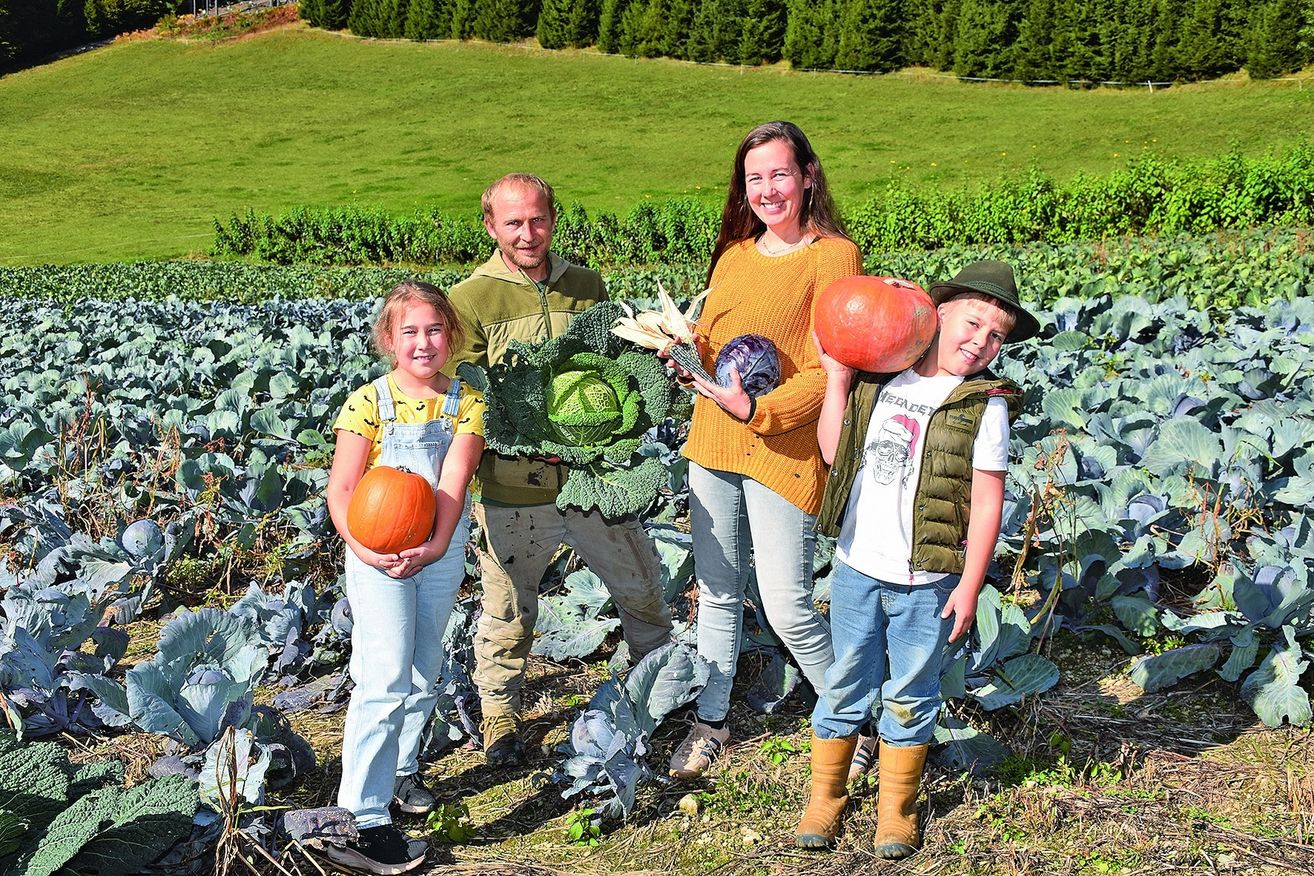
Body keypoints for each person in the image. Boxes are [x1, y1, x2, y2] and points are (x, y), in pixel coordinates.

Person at [795, 260, 1040, 856]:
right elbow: (834, 452)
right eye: (973, 322)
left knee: (912, 690)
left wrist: (971, 583)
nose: (980, 342)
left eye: (996, 336)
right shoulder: (883, 375)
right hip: (857, 565)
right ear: (938, 312)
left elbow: (987, 503)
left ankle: (896, 810)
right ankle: (826, 797)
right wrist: (836, 379)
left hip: (929, 581)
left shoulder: (985, 406)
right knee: (846, 680)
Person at [445, 172, 674, 766]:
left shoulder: (586, 287)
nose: (528, 233)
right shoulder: (469, 300)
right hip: (512, 487)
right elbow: (470, 391)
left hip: (597, 482)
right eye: (513, 222)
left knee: (641, 588)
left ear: (554, 219)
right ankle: (499, 716)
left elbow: (612, 366)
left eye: (539, 220)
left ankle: (661, 691)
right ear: (491, 225)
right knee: (507, 607)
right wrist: (528, 440)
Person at [665, 121, 863, 780]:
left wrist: (760, 409)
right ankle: (711, 722)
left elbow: (830, 367)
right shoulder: (733, 256)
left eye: (780, 174)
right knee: (718, 592)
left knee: (786, 605)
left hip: (782, 444)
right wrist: (681, 355)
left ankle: (853, 719)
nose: (767, 189)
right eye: (755, 178)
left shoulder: (833, 255)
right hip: (712, 440)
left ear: (808, 175)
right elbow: (717, 350)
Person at [325, 280, 486, 875]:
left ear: (451, 337)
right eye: (410, 332)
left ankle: (399, 772)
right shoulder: (369, 401)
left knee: (424, 669)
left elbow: (453, 482)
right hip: (378, 556)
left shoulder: (466, 402)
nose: (424, 343)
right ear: (389, 340)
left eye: (434, 330)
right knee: (383, 677)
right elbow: (342, 489)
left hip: (438, 550)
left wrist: (437, 546)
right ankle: (360, 818)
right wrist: (366, 551)